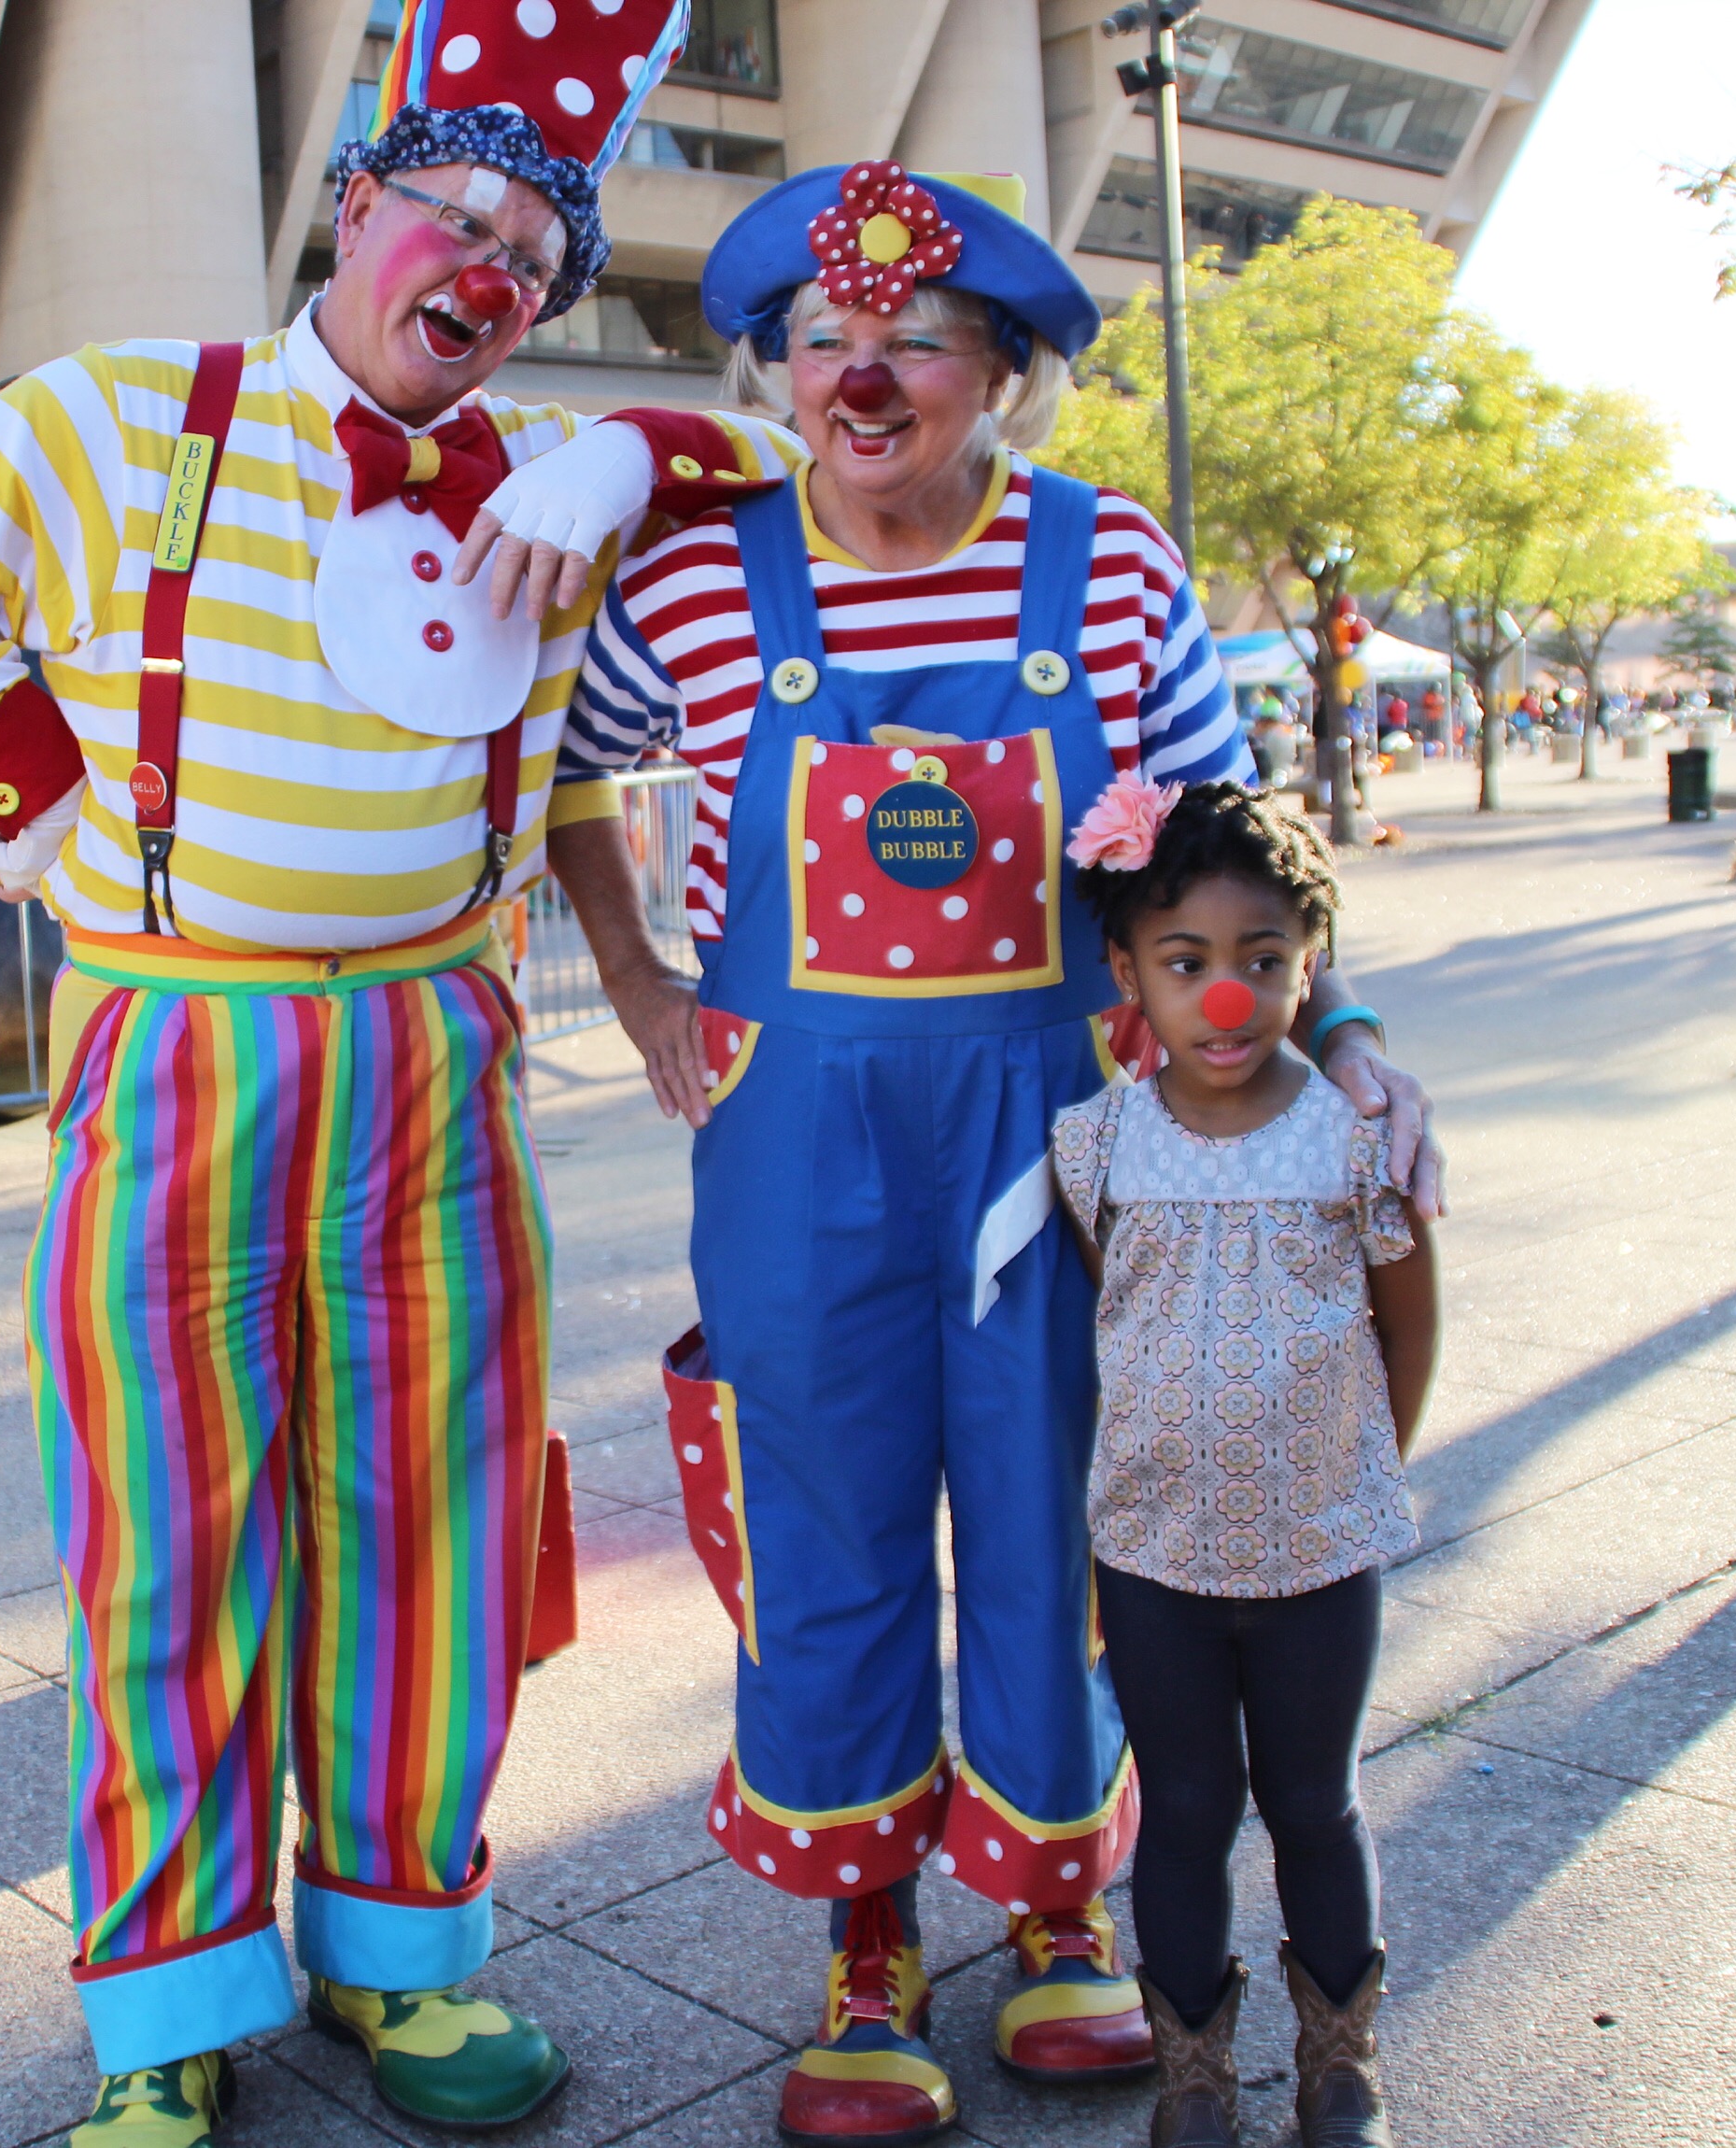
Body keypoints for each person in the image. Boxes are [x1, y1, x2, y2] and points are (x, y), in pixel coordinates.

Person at [0, 8, 788, 2141]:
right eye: (455, 216)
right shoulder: (132, 413)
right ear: (349, 209)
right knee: (164, 1536)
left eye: (534, 255)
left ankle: (401, 1951)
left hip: (437, 1048)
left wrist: (623, 447)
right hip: (184, 1044)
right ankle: (166, 2002)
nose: (489, 268)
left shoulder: (551, 476)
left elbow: (783, 474)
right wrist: (31, 790)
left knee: (429, 1522)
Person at [537, 159, 1447, 2145]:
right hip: (796, 1135)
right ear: (776, 367)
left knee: (1062, 1512)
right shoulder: (693, 577)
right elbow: (567, 767)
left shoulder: (1104, 562)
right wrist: (634, 976)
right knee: (825, 1521)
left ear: (1001, 373)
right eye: (823, 340)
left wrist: (1346, 1036)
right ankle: (863, 1934)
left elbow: (1224, 839)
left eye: (914, 341)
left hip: (1063, 1129)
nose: (861, 378)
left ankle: (1055, 1904)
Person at [1049, 780, 1439, 2148]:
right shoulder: (1094, 1144)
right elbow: (1114, 1309)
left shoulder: (1352, 1139)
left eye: (1261, 961)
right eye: (1185, 962)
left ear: (1307, 964)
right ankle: (1194, 2079)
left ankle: (1338, 2067)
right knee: (1185, 1810)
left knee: (1315, 1805)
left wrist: (1355, 1469)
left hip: (1319, 1552)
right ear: (1126, 974)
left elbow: (1407, 1319)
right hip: (1154, 1556)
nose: (1225, 996)